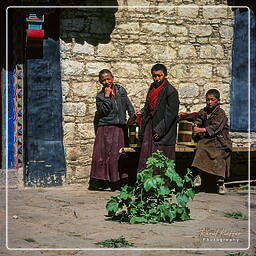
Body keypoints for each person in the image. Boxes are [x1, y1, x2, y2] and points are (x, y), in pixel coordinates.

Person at [89, 69, 135, 191]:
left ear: (112, 78)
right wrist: (107, 96)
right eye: (103, 80)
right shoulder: (100, 96)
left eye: (108, 79)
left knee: (117, 154)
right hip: (105, 127)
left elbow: (127, 104)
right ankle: (102, 182)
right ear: (100, 82)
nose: (106, 82)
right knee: (103, 156)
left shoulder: (120, 90)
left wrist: (133, 115)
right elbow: (104, 111)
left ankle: (117, 182)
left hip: (119, 127)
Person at [181, 89, 232, 194]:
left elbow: (215, 128)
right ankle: (198, 176)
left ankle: (221, 182)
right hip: (208, 140)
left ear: (218, 101)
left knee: (219, 154)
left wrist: (200, 130)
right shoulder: (205, 111)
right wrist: (185, 115)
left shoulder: (220, 114)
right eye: (208, 100)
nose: (209, 102)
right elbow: (197, 115)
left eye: (212, 100)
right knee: (200, 148)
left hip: (220, 140)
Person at [136, 63, 179, 171]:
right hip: (150, 124)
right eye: (154, 76)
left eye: (159, 75)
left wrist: (160, 130)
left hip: (164, 128)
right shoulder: (152, 87)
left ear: (165, 75)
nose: (157, 78)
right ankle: (147, 183)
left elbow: (171, 114)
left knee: (162, 155)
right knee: (147, 153)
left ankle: (163, 184)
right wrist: (142, 112)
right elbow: (148, 105)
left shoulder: (171, 91)